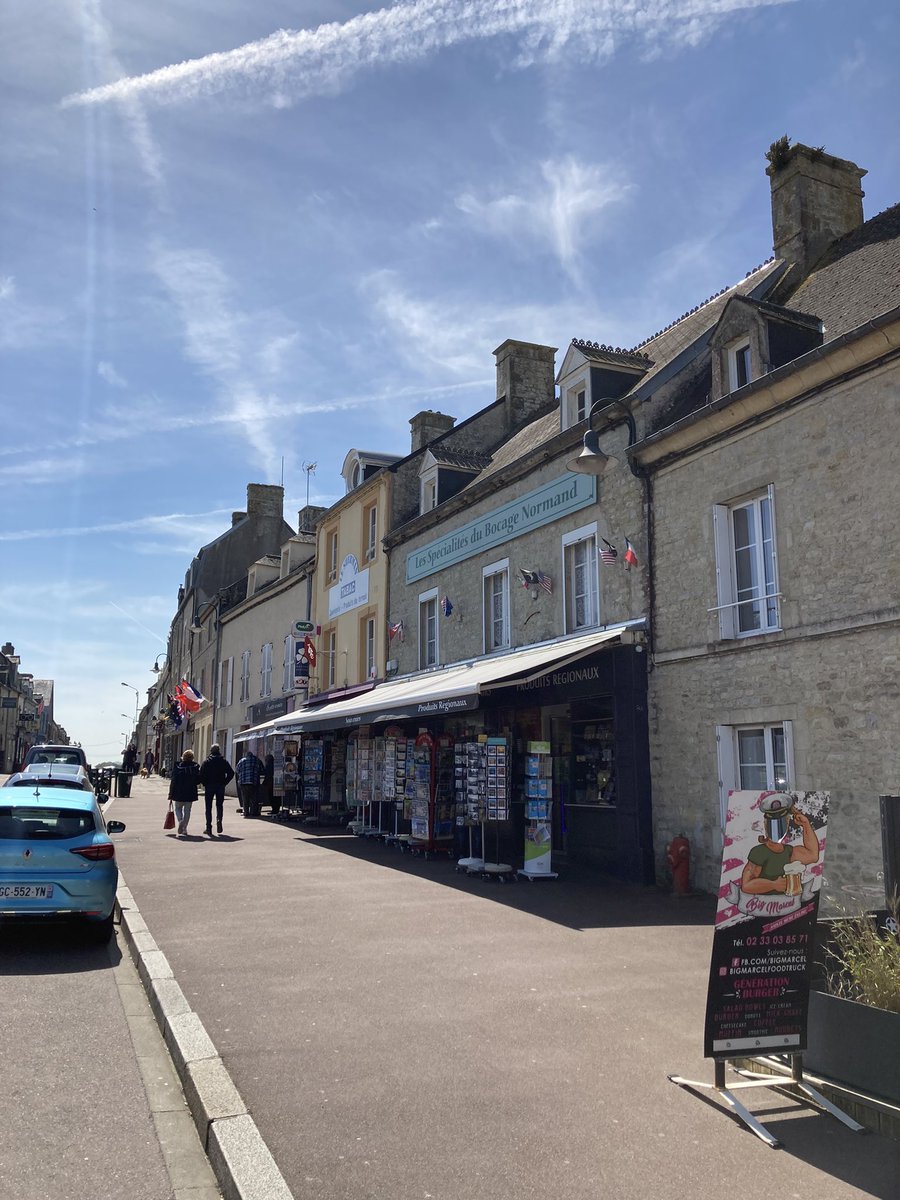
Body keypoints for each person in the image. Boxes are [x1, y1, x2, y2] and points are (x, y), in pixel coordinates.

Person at [199, 744, 235, 837]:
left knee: (208, 807)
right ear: (219, 750)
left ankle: (208, 828)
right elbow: (231, 773)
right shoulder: (223, 761)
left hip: (209, 786)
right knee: (219, 805)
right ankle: (219, 820)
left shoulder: (206, 762)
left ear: (211, 751)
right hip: (220, 786)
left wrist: (204, 783)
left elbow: (201, 774)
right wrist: (224, 782)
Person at [168, 749, 200, 837]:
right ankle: (184, 828)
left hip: (178, 792)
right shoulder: (195, 767)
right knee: (187, 810)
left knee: (178, 808)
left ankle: (181, 821)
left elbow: (173, 781)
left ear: (183, 757)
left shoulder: (178, 767)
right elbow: (198, 780)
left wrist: (170, 794)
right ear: (192, 758)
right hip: (190, 792)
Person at [236, 747, 263, 818]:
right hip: (253, 781)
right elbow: (262, 770)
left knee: (245, 798)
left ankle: (246, 812)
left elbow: (237, 770)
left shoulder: (241, 761)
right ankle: (253, 812)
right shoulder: (257, 760)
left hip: (243, 782)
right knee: (253, 798)